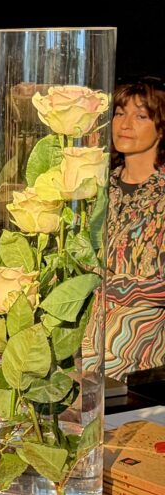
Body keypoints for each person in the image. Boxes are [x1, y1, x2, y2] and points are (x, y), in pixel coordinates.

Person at [103, 76, 165, 380]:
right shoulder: (97, 186)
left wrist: (111, 287)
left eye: (141, 116)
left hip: (139, 349)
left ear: (161, 127)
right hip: (82, 335)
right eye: (119, 113)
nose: (125, 124)